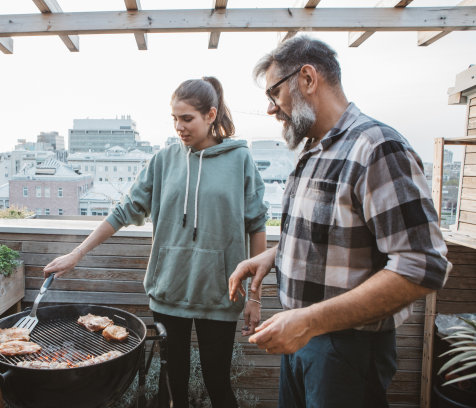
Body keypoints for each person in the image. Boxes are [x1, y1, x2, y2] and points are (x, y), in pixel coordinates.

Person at [228, 36, 451, 408]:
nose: (271, 109)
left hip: (346, 347)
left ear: (308, 79)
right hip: (302, 335)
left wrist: (309, 321)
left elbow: (422, 264)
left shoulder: (377, 147)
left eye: (273, 93)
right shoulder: (314, 149)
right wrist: (272, 257)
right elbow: (333, 232)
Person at [44, 76, 268, 408]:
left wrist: (255, 297)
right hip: (168, 292)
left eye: (187, 118)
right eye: (175, 118)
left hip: (220, 292)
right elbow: (124, 210)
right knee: (170, 387)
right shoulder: (163, 160)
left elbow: (257, 224)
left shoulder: (240, 160)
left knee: (218, 386)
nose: (179, 126)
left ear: (210, 114)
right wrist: (77, 253)